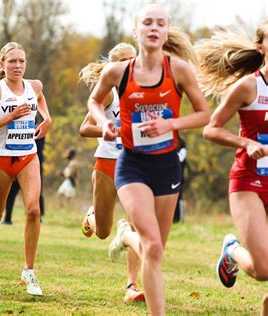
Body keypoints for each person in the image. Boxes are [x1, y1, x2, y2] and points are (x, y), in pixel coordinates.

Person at [87, 5, 210, 314]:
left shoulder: (179, 70)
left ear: (166, 32)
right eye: (147, 23)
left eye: (160, 24)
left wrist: (171, 124)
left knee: (155, 252)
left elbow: (204, 115)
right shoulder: (117, 72)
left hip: (167, 165)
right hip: (131, 165)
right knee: (152, 246)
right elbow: (94, 100)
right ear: (135, 31)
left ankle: (126, 235)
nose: (154, 28)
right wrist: (104, 124)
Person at [196, 23, 268, 314]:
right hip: (249, 180)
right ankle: (232, 251)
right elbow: (211, 129)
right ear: (261, 47)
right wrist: (245, 143)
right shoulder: (249, 86)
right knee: (264, 270)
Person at [0, 42, 51, 296]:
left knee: (33, 210)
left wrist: (47, 118)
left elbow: (39, 100)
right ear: (2, 64)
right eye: (12, 61)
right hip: (0, 160)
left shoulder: (35, 86)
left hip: (28, 156)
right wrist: (10, 117)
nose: (17, 66)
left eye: (21, 61)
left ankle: (28, 272)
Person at [79, 42, 144, 303]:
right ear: (113, 65)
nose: (130, 64)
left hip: (136, 164)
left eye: (133, 59)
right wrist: (107, 127)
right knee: (103, 232)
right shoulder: (108, 94)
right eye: (124, 60)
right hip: (107, 163)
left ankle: (132, 287)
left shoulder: (145, 90)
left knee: (138, 226)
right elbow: (84, 128)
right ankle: (91, 215)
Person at [2, 136, 45, 225]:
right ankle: (8, 217)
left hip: (30, 166)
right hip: (22, 165)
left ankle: (36, 217)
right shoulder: (35, 132)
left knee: (34, 194)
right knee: (13, 193)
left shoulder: (36, 132)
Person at [173, 135, 186, 223]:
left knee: (179, 197)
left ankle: (179, 219)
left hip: (179, 176)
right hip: (168, 175)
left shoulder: (182, 144)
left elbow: (180, 159)